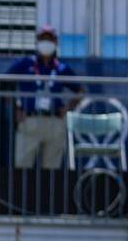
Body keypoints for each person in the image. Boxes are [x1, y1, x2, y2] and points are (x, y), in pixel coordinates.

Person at [7, 26, 80, 171]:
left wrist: (67, 108)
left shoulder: (62, 68)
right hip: (29, 120)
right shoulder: (25, 64)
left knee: (52, 172)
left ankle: (51, 195)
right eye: (43, 39)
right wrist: (15, 108)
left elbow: (80, 91)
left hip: (54, 121)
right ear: (37, 41)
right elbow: (2, 84)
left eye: (49, 39)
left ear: (56, 42)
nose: (46, 42)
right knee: (22, 167)